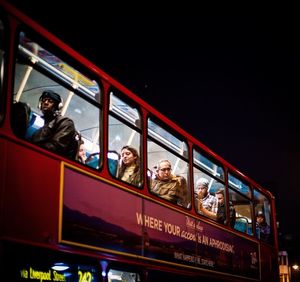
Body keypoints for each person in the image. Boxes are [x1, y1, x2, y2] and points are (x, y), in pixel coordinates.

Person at [31, 90, 77, 159]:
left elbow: (55, 147)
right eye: (44, 100)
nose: (46, 103)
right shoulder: (40, 130)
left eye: (50, 101)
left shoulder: (65, 122)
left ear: (58, 106)